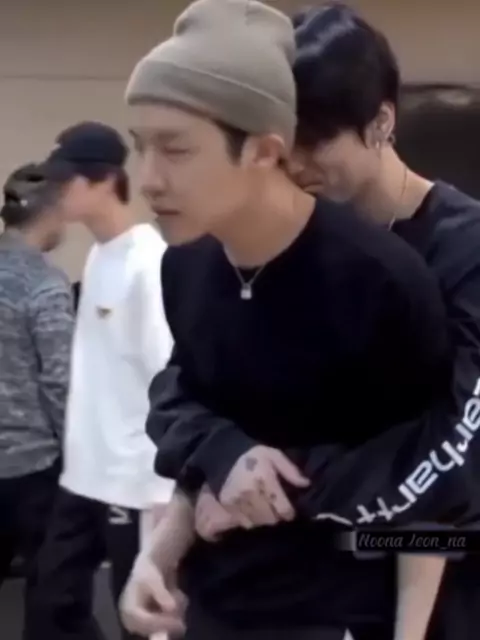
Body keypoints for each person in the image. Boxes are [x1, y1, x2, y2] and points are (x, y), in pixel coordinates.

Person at [120, 1, 453, 639]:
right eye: (142, 147)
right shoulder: (184, 264)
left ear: (264, 150)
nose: (149, 180)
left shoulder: (383, 281)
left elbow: (433, 489)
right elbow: (198, 414)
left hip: (341, 613)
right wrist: (158, 557)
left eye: (176, 149)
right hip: (217, 608)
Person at [29, 122, 174, 640]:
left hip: (132, 480)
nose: (56, 192)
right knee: (51, 604)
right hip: (83, 472)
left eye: (66, 180)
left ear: (106, 180)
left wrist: (164, 491)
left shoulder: (148, 263)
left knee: (138, 616)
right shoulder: (97, 257)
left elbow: (166, 376)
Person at [0, 163, 74, 633]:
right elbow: (60, 382)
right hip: (31, 470)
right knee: (52, 602)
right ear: (55, 211)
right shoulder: (44, 283)